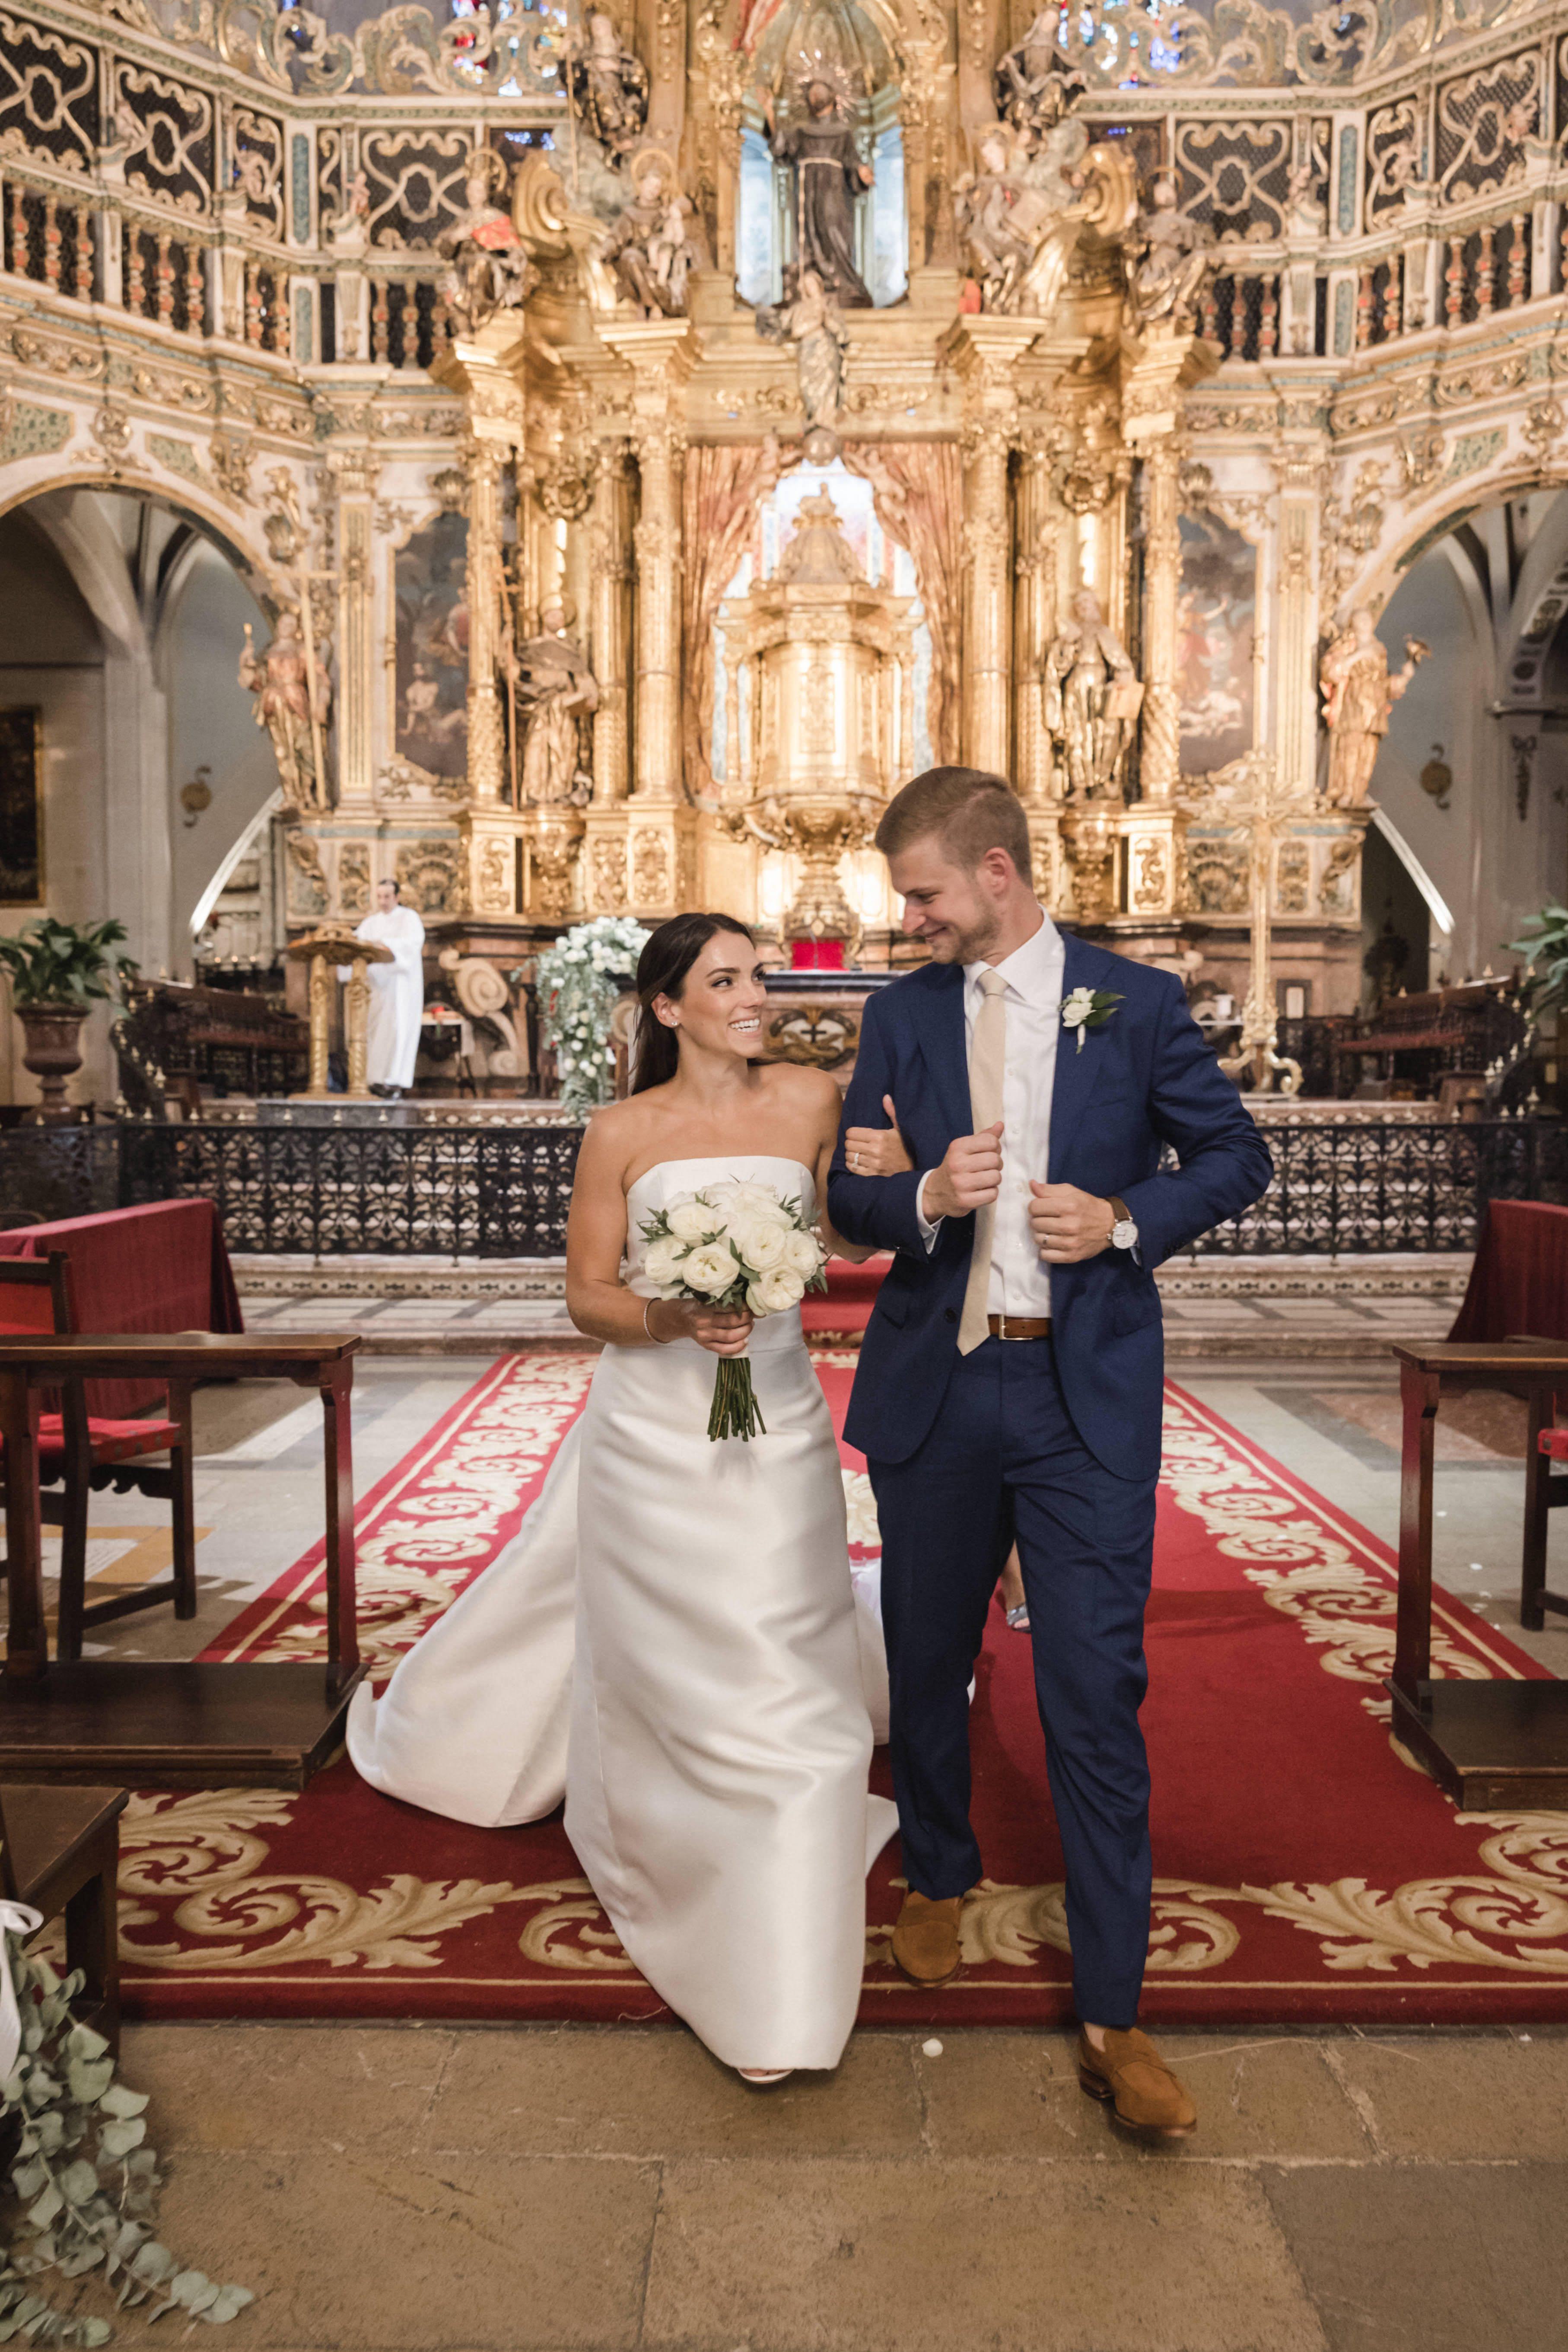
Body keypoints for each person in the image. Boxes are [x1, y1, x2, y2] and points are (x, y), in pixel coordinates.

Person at [348, 912, 898, 2084]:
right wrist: (671, 1316)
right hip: (653, 1429)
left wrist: (909, 1185)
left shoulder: (809, 1098)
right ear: (665, 1006)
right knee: (676, 1652)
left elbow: (841, 1228)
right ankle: (664, 1813)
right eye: (728, 980)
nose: (756, 994)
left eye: (759, 976)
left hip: (783, 1416)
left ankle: (788, 1840)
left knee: (789, 1650)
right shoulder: (619, 1131)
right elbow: (586, 1297)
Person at [828, 766, 1273, 2140]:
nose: (908, 920)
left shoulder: (1133, 1003)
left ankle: (1115, 2008)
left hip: (1081, 1391)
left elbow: (1236, 1156)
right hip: (940, 1386)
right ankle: (941, 1870)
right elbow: (846, 1194)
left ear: (1000, 874)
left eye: (924, 895)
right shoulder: (900, 1014)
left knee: (1095, 1683)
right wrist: (916, 1193)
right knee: (928, 1647)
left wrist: (1126, 1219)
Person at [338, 878, 425, 1095]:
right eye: (379, 897)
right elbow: (358, 943)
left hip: (399, 987)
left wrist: (385, 945)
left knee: (396, 1029)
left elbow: (411, 945)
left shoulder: (409, 918)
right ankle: (372, 1080)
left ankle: (393, 1081)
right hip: (375, 987)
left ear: (396, 897)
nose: (383, 901)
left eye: (387, 896)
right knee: (373, 1031)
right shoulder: (371, 922)